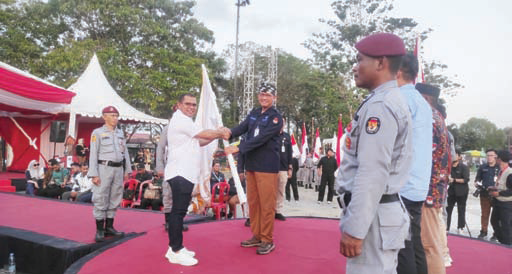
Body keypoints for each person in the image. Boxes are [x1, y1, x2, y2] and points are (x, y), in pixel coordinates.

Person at [335, 33, 412, 274]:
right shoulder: (386, 100)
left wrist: (356, 229)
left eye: (360, 59)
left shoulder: (381, 106)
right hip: (379, 214)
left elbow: (372, 173)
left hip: (373, 219)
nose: (355, 67)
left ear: (380, 63)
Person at [164, 93, 229, 266]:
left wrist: (216, 136)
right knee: (178, 212)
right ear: (179, 105)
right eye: (188, 104)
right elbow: (203, 133)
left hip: (184, 173)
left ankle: (174, 247)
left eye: (194, 104)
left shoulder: (185, 122)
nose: (191, 107)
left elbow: (199, 141)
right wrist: (220, 132)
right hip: (180, 173)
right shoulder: (181, 120)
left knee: (180, 211)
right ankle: (175, 250)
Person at [225, 82, 283, 255]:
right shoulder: (254, 113)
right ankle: (256, 235)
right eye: (262, 94)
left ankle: (267, 239)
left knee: (266, 204)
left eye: (268, 95)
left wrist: (239, 148)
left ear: (274, 98)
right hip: (251, 165)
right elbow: (242, 128)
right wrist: (228, 132)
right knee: (254, 203)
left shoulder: (276, 118)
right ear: (258, 96)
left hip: (266, 167)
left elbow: (262, 138)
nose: (264, 97)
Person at [395, 53, 433, 274]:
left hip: (403, 186)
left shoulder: (401, 99)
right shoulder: (421, 101)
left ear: (397, 71)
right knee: (414, 243)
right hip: (416, 185)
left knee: (402, 247)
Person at [416, 83, 451, 274]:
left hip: (427, 191)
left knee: (429, 245)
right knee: (429, 242)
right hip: (433, 190)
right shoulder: (438, 117)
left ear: (425, 99)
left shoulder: (428, 118)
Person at [88, 106, 132, 243]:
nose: (115, 118)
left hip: (118, 169)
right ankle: (100, 229)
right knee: (101, 197)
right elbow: (93, 154)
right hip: (103, 168)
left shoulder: (120, 133)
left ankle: (110, 227)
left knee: (115, 196)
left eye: (116, 115)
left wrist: (127, 170)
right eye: (112, 115)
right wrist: (94, 174)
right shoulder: (97, 133)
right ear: (104, 116)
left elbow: (126, 153)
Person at [156, 122, 189, 232]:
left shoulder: (189, 126)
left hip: (185, 166)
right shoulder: (168, 128)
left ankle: (179, 221)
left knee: (183, 195)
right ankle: (169, 221)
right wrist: (159, 167)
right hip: (171, 165)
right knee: (168, 194)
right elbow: (160, 147)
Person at [474, 149, 500, 239]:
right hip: (484, 194)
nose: (489, 157)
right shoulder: (482, 167)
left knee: (496, 215)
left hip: (496, 195)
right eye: (488, 155)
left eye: (491, 155)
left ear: (496, 156)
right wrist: (477, 183)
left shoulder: (499, 167)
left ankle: (496, 233)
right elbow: (477, 178)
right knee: (485, 214)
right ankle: (483, 231)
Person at [489, 150, 512, 245]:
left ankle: (507, 244)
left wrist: (499, 194)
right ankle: (503, 241)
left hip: (506, 203)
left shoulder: (509, 173)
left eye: (496, 157)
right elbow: (503, 185)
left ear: (500, 159)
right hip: (498, 202)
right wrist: (494, 188)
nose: (495, 159)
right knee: (494, 221)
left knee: (506, 225)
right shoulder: (501, 170)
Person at [446, 150, 470, 233]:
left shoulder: (464, 167)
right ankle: (446, 227)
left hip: (461, 192)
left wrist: (454, 180)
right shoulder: (448, 167)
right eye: (451, 154)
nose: (453, 156)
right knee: (448, 210)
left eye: (455, 154)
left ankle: (461, 227)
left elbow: (466, 179)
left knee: (461, 210)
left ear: (459, 157)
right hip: (450, 192)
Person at [276, 117, 292, 221]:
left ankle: (278, 211)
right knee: (269, 191)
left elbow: (290, 153)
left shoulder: (287, 136)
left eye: (283, 122)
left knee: (281, 190)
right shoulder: (271, 135)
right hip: (271, 167)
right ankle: (267, 211)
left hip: (283, 168)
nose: (281, 124)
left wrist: (290, 167)